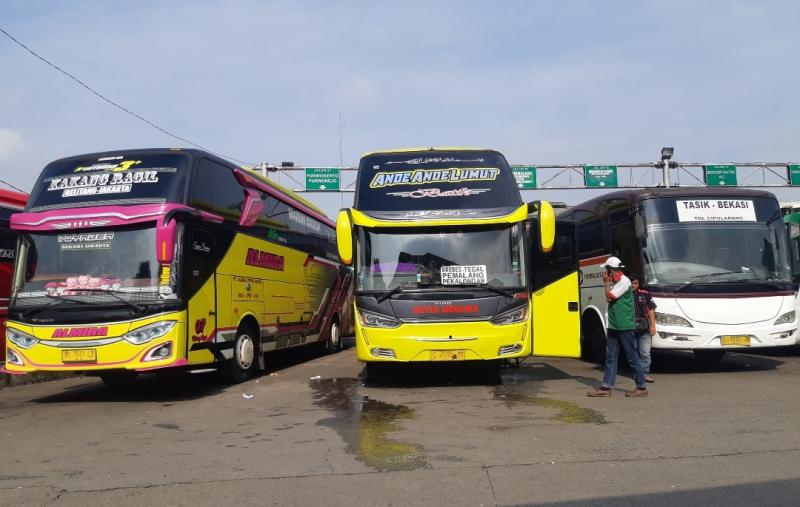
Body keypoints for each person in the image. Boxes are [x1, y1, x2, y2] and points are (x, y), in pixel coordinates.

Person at [587, 257, 649, 398]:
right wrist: (608, 283)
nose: (605, 273)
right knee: (610, 357)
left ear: (611, 270)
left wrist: (606, 284)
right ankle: (606, 387)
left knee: (632, 356)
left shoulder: (624, 281)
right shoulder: (615, 282)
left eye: (607, 270)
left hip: (624, 325)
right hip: (614, 324)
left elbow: (609, 297)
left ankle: (641, 387)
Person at [631, 275, 656, 383]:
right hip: (629, 328)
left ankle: (644, 374)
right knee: (633, 353)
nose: (633, 285)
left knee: (645, 353)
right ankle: (637, 373)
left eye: (635, 283)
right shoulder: (623, 295)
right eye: (631, 283)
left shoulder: (645, 295)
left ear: (638, 284)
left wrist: (653, 326)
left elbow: (651, 311)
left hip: (644, 328)